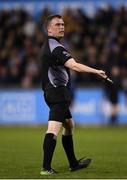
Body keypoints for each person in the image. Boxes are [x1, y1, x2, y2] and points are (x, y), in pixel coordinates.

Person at [40, 14, 107, 175]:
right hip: (57, 93)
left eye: (63, 24)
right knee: (53, 129)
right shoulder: (55, 47)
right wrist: (96, 71)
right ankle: (46, 168)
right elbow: (74, 66)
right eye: (57, 25)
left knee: (69, 125)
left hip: (53, 92)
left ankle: (73, 163)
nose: (62, 27)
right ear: (49, 28)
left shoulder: (50, 45)